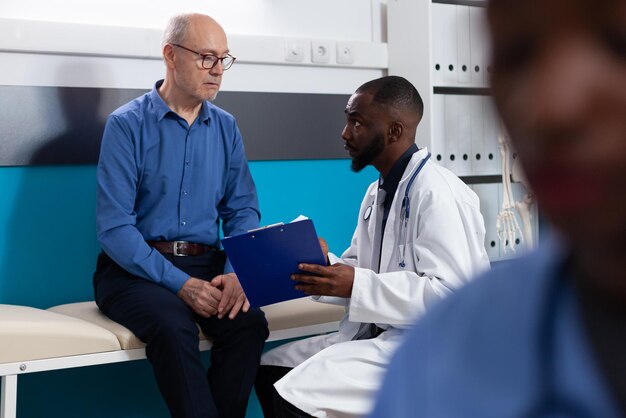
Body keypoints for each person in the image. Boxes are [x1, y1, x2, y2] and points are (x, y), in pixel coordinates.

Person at [369, 1, 626, 417]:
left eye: (618, 43)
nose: (549, 107)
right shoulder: (443, 358)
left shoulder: (436, 190)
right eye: (517, 53)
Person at [255, 75, 491, 417]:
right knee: (271, 370)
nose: (345, 133)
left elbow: (452, 300)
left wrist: (356, 283)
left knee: (294, 394)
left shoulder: (437, 193)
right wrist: (320, 263)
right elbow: (360, 268)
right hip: (378, 337)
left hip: (429, 349)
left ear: (394, 132)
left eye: (357, 122)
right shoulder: (376, 194)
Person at [92, 13, 269, 418]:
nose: (218, 71)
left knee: (249, 324)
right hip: (133, 272)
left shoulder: (226, 127)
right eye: (207, 57)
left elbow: (242, 209)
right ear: (171, 55)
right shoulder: (126, 125)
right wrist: (181, 284)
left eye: (224, 59)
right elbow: (115, 229)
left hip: (208, 264)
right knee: (174, 328)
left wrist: (236, 270)